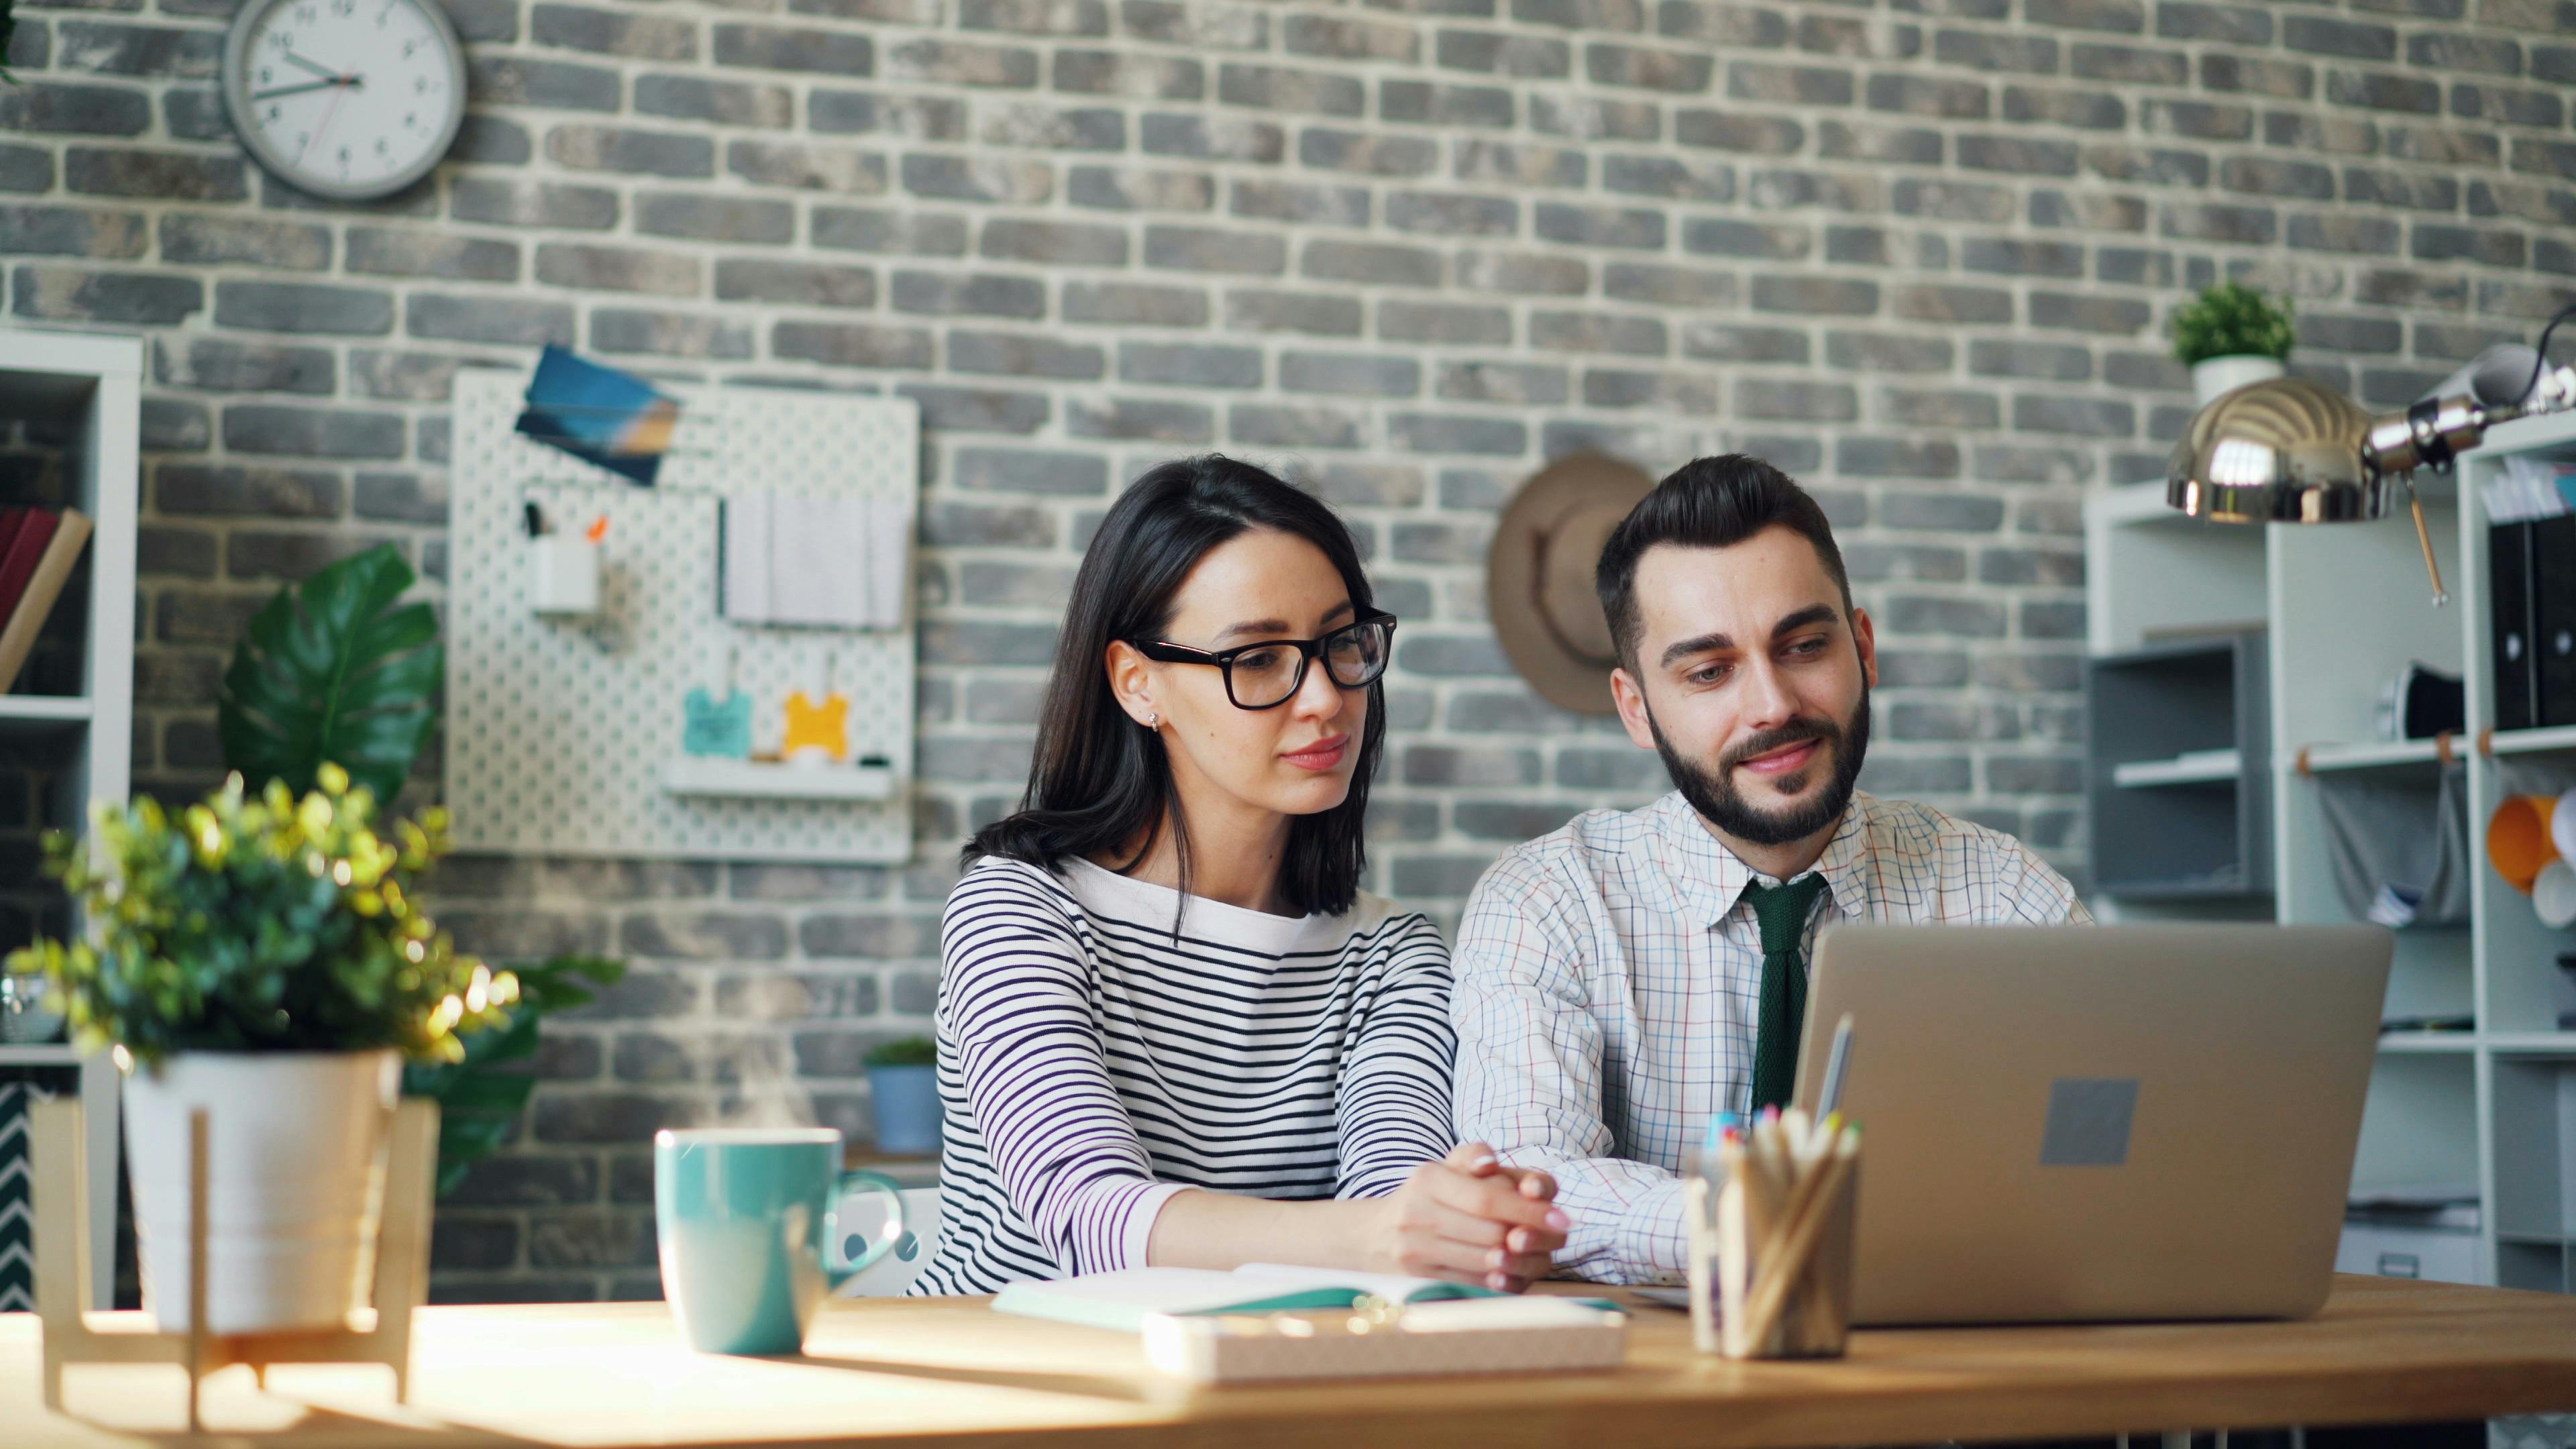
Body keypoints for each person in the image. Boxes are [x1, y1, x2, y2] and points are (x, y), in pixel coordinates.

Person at [912, 455, 1567, 1296]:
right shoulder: (1019, 907)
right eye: (1257, 658)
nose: (1325, 698)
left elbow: (1392, 1213)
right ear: (1137, 684)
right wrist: (1385, 1233)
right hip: (1004, 1368)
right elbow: (1088, 1216)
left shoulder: (1392, 955)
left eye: (1342, 642)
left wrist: (1457, 1227)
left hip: (1260, 1372)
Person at [1450, 454, 2090, 1285]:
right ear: (1637, 709)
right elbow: (1532, 1184)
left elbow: (2111, 1157)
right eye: (1709, 671)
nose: (1774, 705)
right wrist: (1762, 1228)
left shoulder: (2003, 895)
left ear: (1863, 648)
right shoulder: (1548, 903)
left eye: (1805, 646)